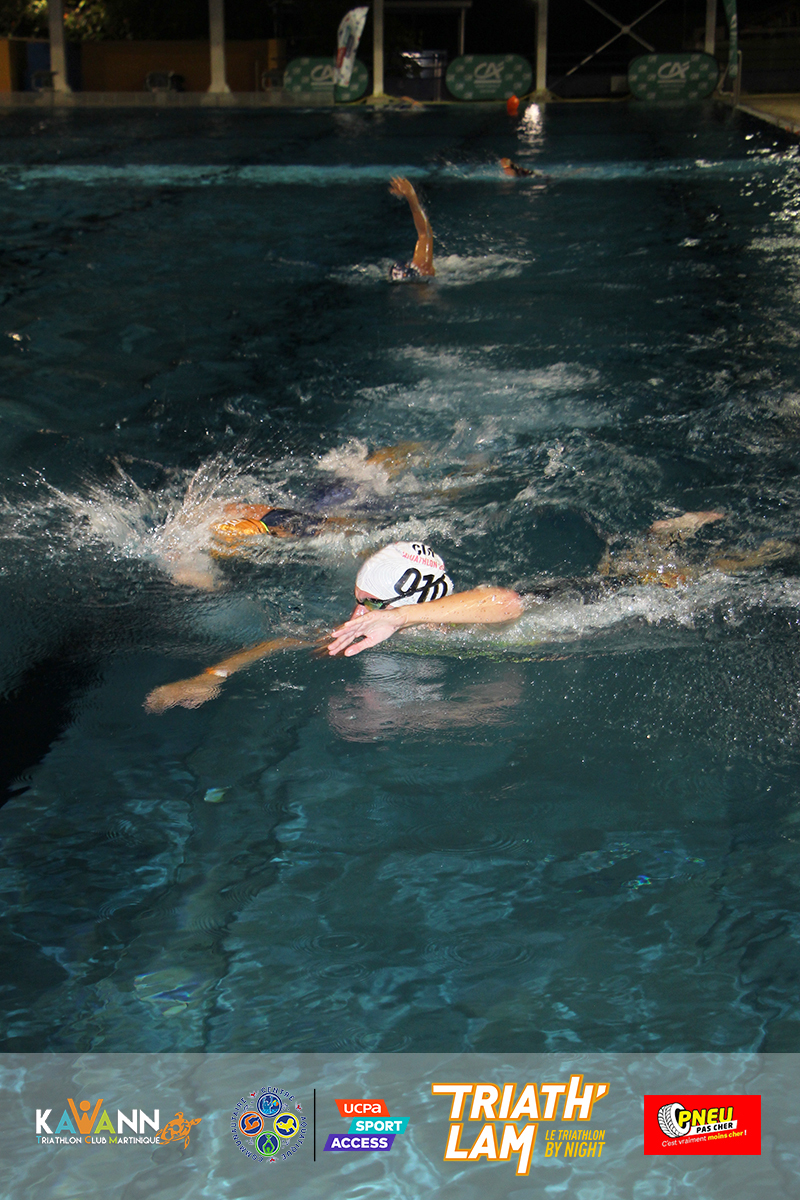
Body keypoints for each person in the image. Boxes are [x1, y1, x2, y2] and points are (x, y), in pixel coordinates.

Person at [144, 542, 522, 712]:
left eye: (371, 604)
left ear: (409, 604)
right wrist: (213, 675)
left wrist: (400, 618)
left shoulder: (463, 626)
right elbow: (282, 642)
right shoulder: (368, 623)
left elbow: (508, 604)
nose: (357, 612)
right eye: (357, 598)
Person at [389, 177, 435, 281]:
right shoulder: (424, 271)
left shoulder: (423, 271)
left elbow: (424, 234)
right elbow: (425, 233)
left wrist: (411, 196)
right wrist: (411, 195)